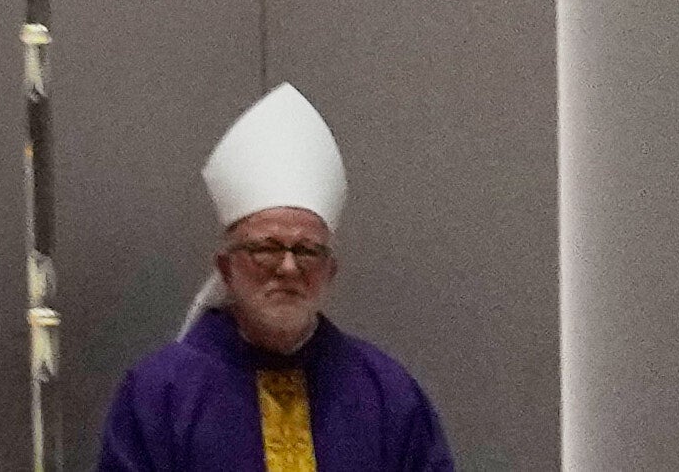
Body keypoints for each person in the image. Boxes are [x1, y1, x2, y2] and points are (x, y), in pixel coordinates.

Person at [95, 88, 452, 472]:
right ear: (226, 267)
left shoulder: (388, 394)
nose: (287, 268)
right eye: (266, 248)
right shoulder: (159, 395)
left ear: (331, 270)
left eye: (306, 250)